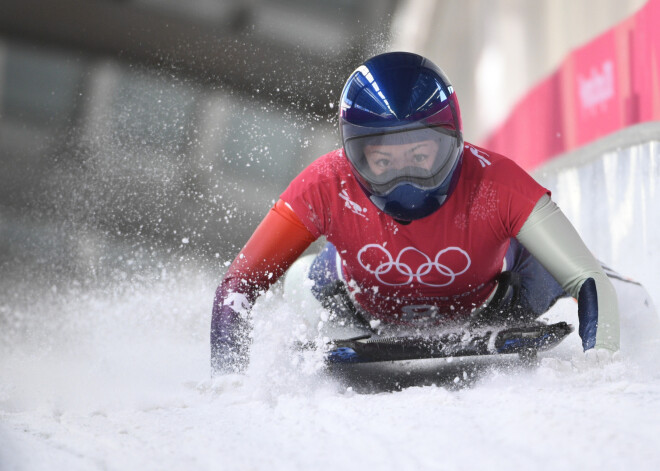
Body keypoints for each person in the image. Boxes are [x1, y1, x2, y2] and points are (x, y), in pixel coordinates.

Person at [210, 51, 619, 374]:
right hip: (355, 302)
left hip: (497, 297)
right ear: (354, 155)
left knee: (560, 267)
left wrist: (600, 356)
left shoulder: (499, 183)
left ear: (451, 141)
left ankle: (628, 295)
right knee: (301, 286)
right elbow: (239, 284)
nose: (405, 179)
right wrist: (230, 374)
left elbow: (585, 278)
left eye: (420, 156)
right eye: (384, 162)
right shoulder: (324, 184)